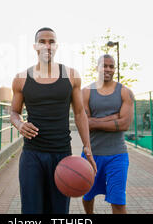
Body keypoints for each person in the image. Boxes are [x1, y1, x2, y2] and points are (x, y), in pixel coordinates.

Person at [10, 27, 97, 214]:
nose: (47, 46)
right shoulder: (21, 78)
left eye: (51, 42)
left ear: (56, 46)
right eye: (42, 41)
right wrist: (20, 124)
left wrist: (87, 148)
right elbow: (14, 112)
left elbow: (80, 113)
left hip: (62, 155)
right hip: (32, 154)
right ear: (35, 46)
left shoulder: (71, 75)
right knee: (31, 212)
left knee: (58, 213)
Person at [81, 54, 134, 214]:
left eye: (111, 66)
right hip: (91, 154)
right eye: (104, 65)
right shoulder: (85, 92)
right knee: (87, 196)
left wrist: (95, 121)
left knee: (118, 202)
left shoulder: (125, 92)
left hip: (117, 155)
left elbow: (124, 124)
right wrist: (113, 117)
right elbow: (85, 124)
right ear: (96, 67)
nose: (108, 69)